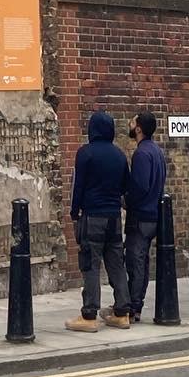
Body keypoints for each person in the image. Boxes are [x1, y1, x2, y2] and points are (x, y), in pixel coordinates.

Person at [65, 110, 132, 332]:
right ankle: (122, 312)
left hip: (92, 216)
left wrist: (74, 213)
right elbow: (126, 188)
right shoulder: (120, 155)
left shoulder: (85, 153)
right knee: (116, 264)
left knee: (90, 264)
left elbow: (77, 186)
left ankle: (89, 315)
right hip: (114, 218)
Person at [125, 109, 167, 322]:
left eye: (133, 122)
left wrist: (126, 201)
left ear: (139, 129)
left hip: (141, 217)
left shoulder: (142, 154)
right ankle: (136, 305)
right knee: (142, 262)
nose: (130, 125)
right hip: (153, 216)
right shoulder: (157, 151)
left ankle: (133, 307)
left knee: (135, 262)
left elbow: (140, 187)